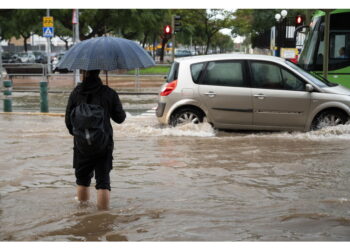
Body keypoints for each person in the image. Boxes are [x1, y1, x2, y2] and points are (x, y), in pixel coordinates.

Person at [65, 70, 126, 210]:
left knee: (82, 180)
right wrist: (111, 100)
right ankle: (103, 218)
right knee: (103, 181)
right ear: (99, 71)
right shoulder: (108, 93)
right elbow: (120, 118)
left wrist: (81, 136)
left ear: (82, 72)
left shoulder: (76, 93)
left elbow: (68, 122)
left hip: (81, 146)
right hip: (104, 144)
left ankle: (82, 215)